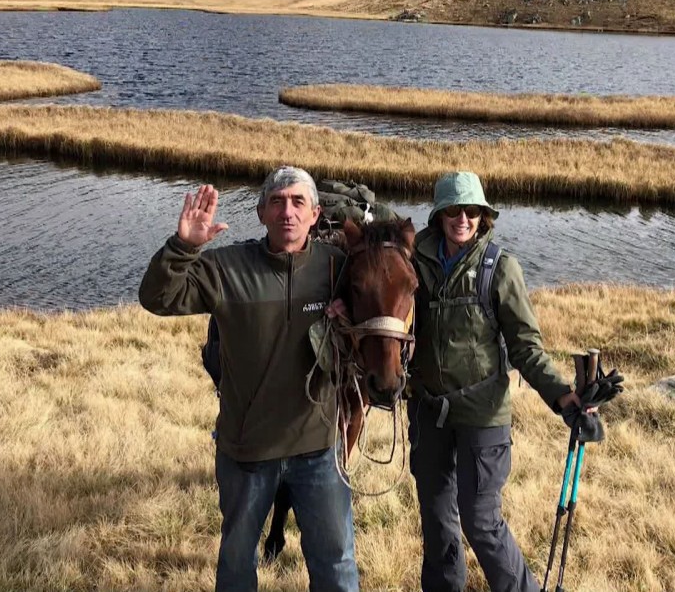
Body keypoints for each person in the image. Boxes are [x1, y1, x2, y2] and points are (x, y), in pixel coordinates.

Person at [138, 166, 358, 592]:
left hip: (319, 448)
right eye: (277, 202)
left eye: (298, 202)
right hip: (247, 451)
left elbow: (386, 311)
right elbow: (157, 297)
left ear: (315, 214)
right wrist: (184, 247)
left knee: (336, 563)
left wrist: (350, 317)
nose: (287, 212)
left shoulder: (339, 269)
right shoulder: (226, 267)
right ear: (261, 214)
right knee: (238, 562)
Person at [407, 171, 581, 592]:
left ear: (483, 216)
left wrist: (564, 397)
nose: (462, 219)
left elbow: (525, 347)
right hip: (428, 412)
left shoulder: (500, 268)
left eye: (472, 211)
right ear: (439, 214)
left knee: (481, 520)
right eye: (454, 210)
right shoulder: (414, 262)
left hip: (483, 415)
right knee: (436, 520)